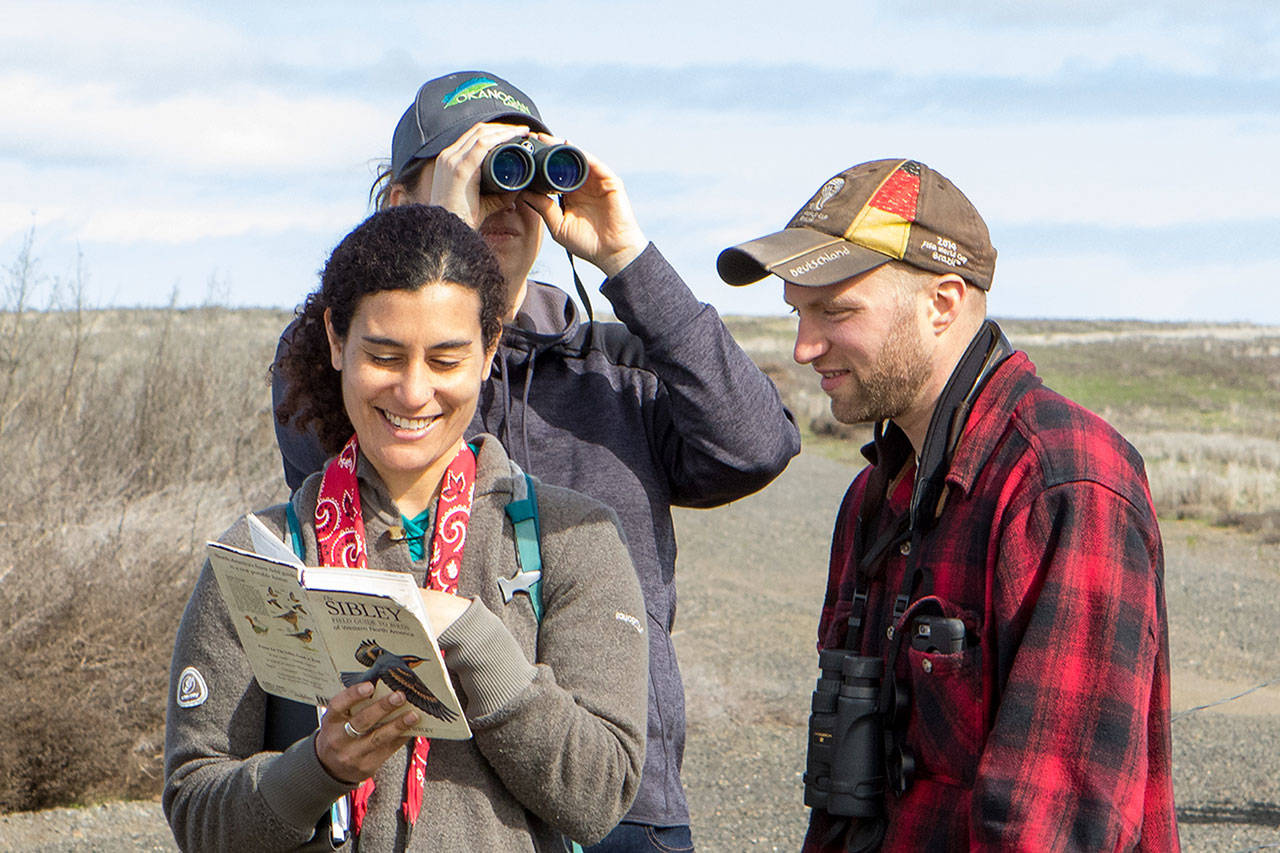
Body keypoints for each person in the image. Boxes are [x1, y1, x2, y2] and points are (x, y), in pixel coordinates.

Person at [272, 71, 801, 851]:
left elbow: (755, 445)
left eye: (518, 175)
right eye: (472, 174)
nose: (501, 200)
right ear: (397, 200)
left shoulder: (615, 366)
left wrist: (628, 254)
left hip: (619, 793)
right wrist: (434, 255)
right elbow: (352, 455)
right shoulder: (350, 367)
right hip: (429, 800)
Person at [717, 159, 1179, 850]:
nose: (804, 346)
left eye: (835, 310)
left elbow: (1050, 827)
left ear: (943, 302)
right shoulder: (875, 499)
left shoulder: (1064, 485)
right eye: (799, 312)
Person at [165, 204, 649, 852]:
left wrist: (474, 640)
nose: (414, 391)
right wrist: (319, 767)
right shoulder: (261, 555)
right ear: (338, 341)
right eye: (385, 355)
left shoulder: (571, 538)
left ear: (489, 349)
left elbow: (599, 796)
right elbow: (197, 813)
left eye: (446, 359)